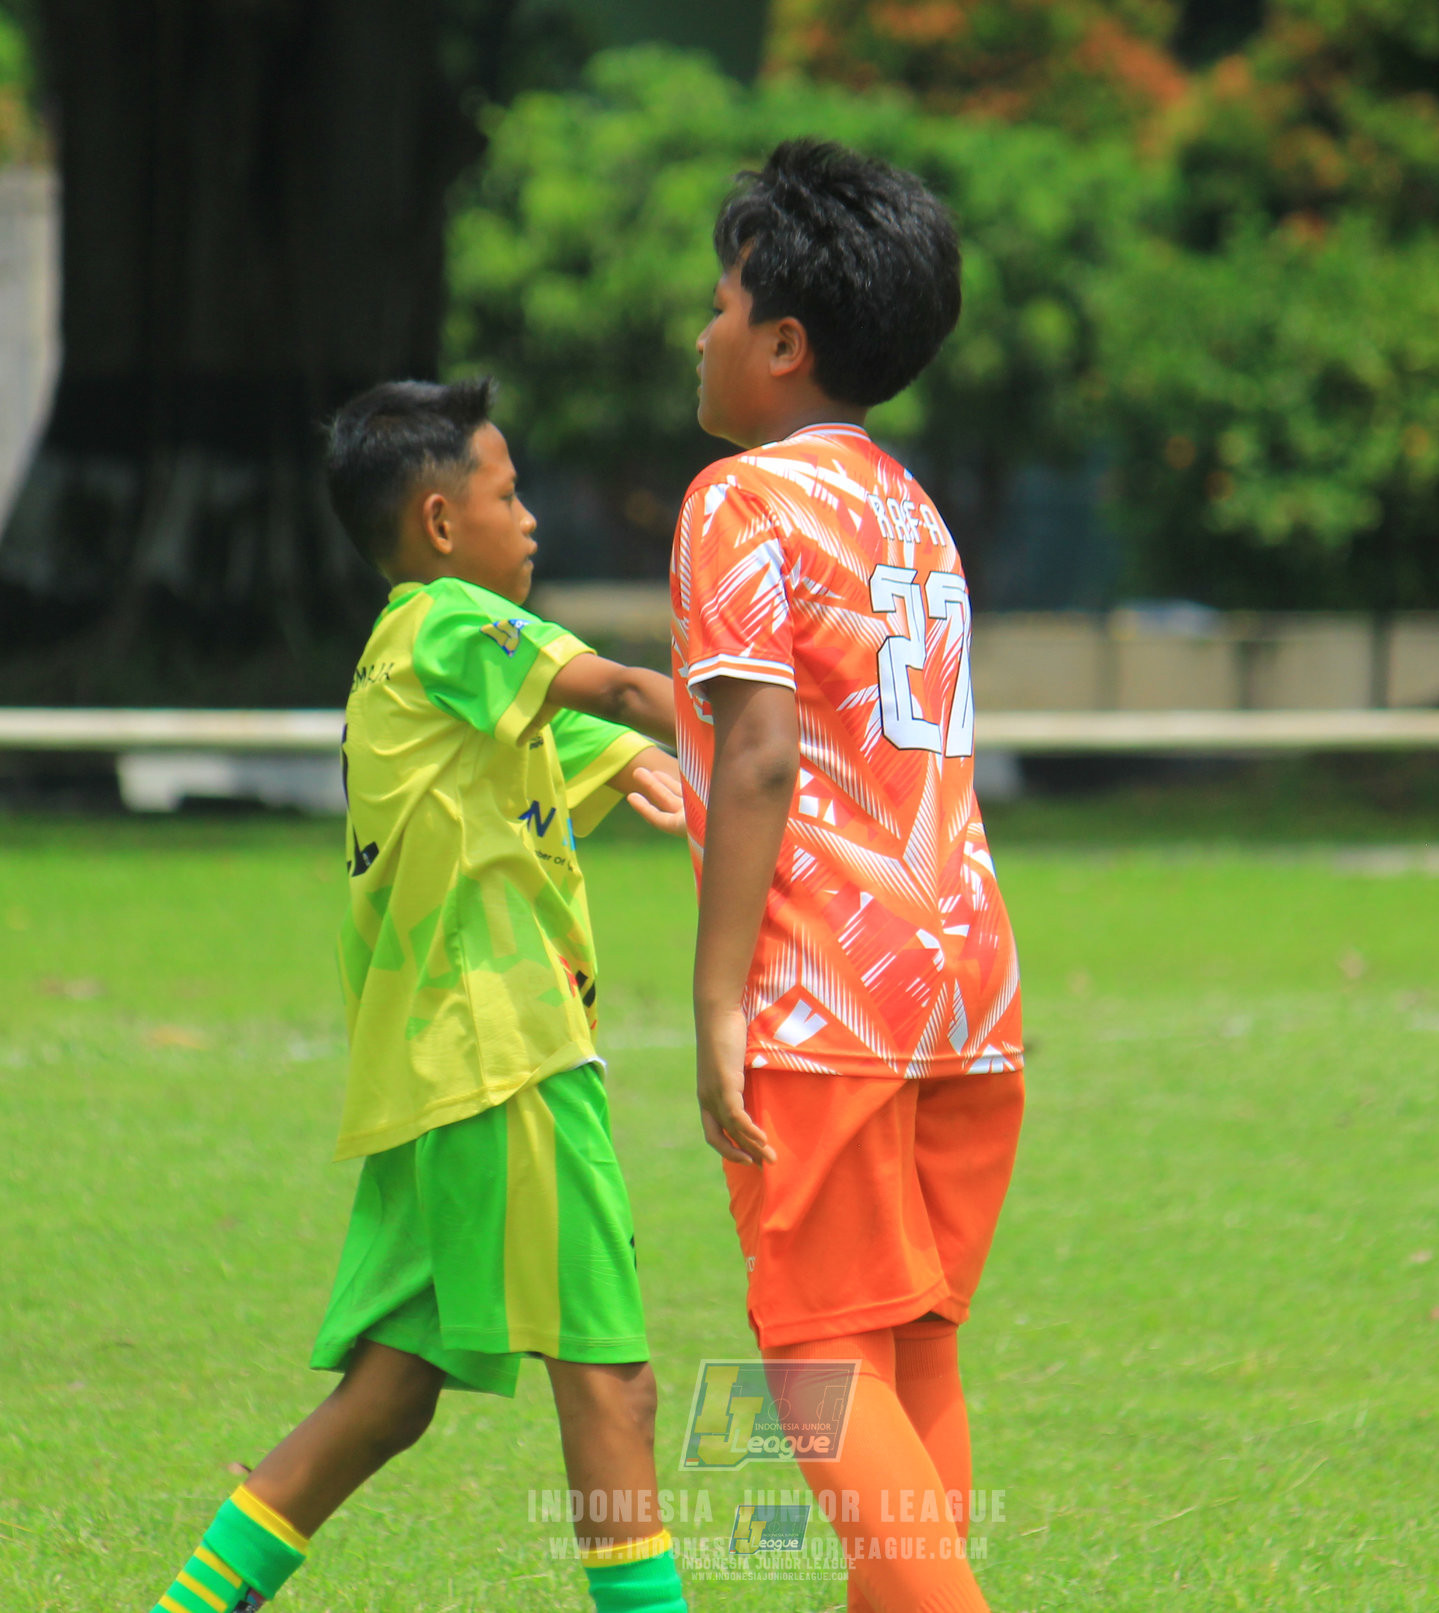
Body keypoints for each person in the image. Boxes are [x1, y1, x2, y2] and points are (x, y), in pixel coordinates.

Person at [149, 378, 693, 1613]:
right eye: (509, 494)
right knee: (613, 1385)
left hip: (435, 1072)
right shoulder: (449, 624)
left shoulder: (432, 673)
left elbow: (605, 746)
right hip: (509, 1061)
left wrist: (676, 758)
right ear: (442, 524)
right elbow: (616, 690)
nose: (533, 518)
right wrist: (786, 718)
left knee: (389, 1393)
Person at [672, 141, 1025, 1613]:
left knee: (814, 1350)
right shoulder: (912, 513)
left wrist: (711, 999)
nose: (697, 332)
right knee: (911, 1339)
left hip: (829, 995)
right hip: (967, 987)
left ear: (781, 343)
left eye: (715, 302)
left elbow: (761, 757)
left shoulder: (737, 503)